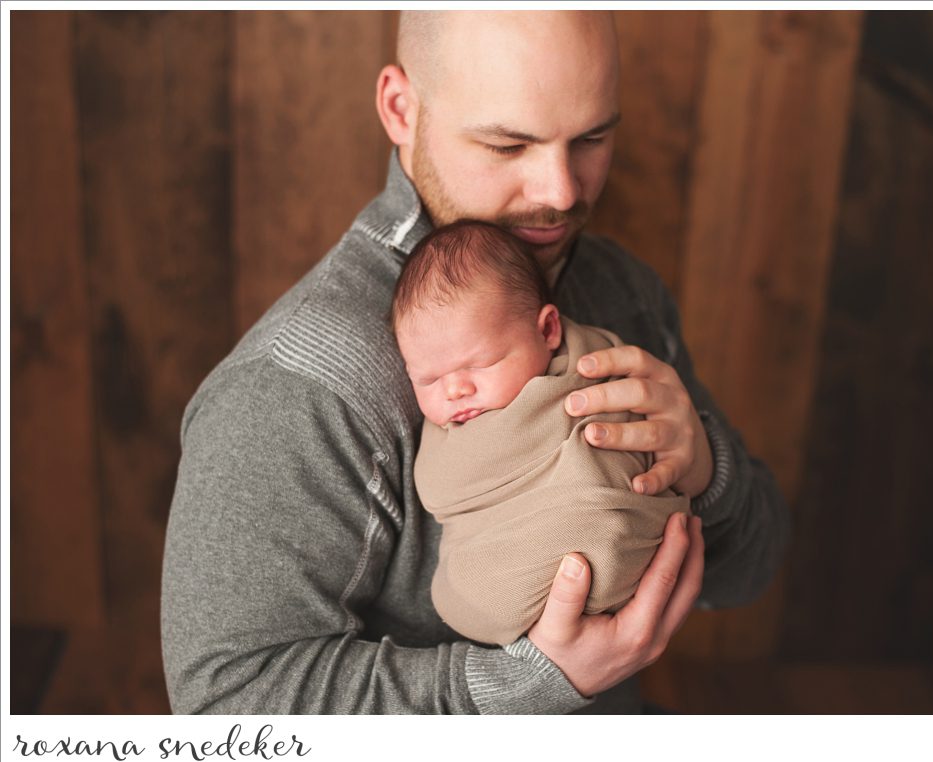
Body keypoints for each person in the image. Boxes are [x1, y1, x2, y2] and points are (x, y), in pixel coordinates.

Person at [161, 10, 790, 714]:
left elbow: (750, 573)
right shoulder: (299, 385)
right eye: (507, 144)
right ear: (401, 109)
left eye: (592, 138)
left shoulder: (622, 290)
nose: (560, 191)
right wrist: (530, 683)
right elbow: (224, 701)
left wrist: (709, 469)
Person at [393, 219, 688, 646]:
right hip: (529, 553)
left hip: (620, 529)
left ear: (548, 330)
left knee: (597, 527)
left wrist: (704, 466)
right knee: (464, 590)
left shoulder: (601, 355)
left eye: (480, 363)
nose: (455, 391)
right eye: (428, 379)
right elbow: (444, 491)